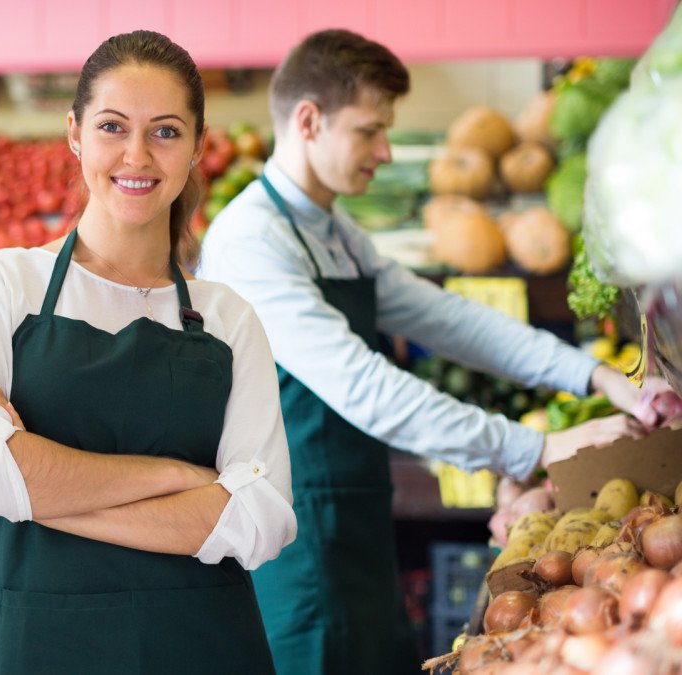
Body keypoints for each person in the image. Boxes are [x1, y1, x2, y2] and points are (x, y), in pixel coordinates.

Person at [197, 28, 678, 674]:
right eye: (369, 130)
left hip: (355, 517)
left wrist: (595, 374)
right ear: (309, 120)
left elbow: (448, 318)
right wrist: (531, 447)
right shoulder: (251, 242)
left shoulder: (330, 228)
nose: (386, 150)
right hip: (297, 533)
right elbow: (365, 385)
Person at [0, 30, 297, 674]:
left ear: (198, 146)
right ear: (74, 134)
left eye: (165, 132)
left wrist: (37, 489)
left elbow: (260, 520)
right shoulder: (3, 284)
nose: (137, 155)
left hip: (203, 646)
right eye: (112, 126)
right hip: (45, 646)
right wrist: (179, 478)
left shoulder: (229, 317)